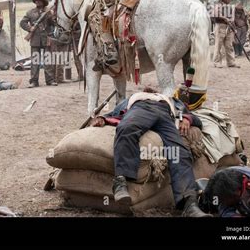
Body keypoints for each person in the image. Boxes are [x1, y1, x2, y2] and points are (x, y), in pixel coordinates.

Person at [90, 86, 210, 217]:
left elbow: (194, 117)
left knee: (179, 150)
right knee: (127, 129)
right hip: (141, 109)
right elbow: (115, 113)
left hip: (166, 116)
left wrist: (187, 118)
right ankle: (120, 182)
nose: (151, 90)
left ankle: (189, 204)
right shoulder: (134, 98)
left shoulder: (171, 100)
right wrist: (102, 118)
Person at [20, 0, 56, 87]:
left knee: (48, 61)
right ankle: (34, 81)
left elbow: (54, 24)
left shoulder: (48, 12)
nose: (37, 1)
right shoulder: (30, 12)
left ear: (43, 2)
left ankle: (50, 80)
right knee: (35, 61)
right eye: (36, 0)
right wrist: (29, 28)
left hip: (46, 38)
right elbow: (22, 23)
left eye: (39, 0)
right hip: (35, 39)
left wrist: (52, 16)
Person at [212, 0, 239, 68]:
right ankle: (217, 62)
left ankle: (231, 62)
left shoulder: (230, 7)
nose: (230, 0)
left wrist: (234, 27)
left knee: (229, 45)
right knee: (218, 45)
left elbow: (232, 18)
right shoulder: (218, 6)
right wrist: (225, 18)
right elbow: (216, 14)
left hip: (229, 27)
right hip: (221, 26)